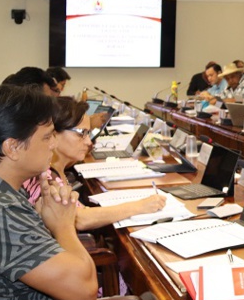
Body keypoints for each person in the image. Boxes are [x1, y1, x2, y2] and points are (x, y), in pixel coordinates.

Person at [0, 85, 97, 300]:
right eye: (48, 136)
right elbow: (85, 290)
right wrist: (62, 225)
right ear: (12, 148)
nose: (53, 144)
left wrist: (44, 219)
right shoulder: (0, 213)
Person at [23, 97, 166, 231]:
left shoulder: (57, 168)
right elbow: (79, 218)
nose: (88, 142)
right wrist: (140, 206)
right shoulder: (45, 176)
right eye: (81, 133)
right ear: (54, 132)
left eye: (88, 133)